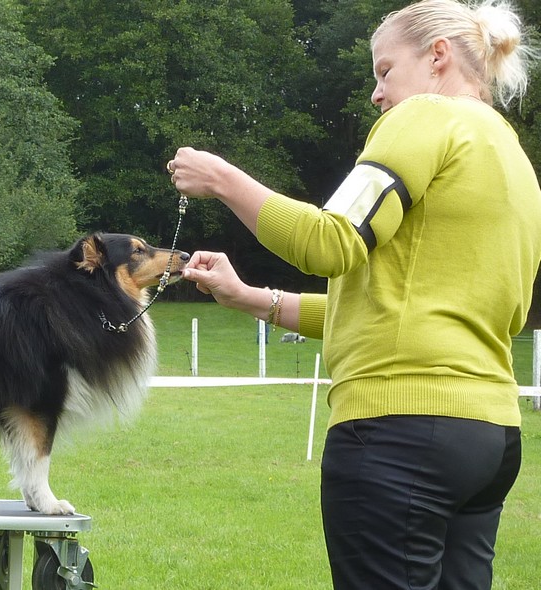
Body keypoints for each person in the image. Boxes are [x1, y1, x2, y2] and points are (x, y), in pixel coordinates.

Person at [166, 0, 541, 588]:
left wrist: (224, 180)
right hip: (488, 438)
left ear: (437, 57)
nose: (376, 94)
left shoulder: (428, 118)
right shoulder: (513, 159)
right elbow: (396, 306)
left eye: (384, 71)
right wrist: (249, 297)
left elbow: (330, 240)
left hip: (400, 432)